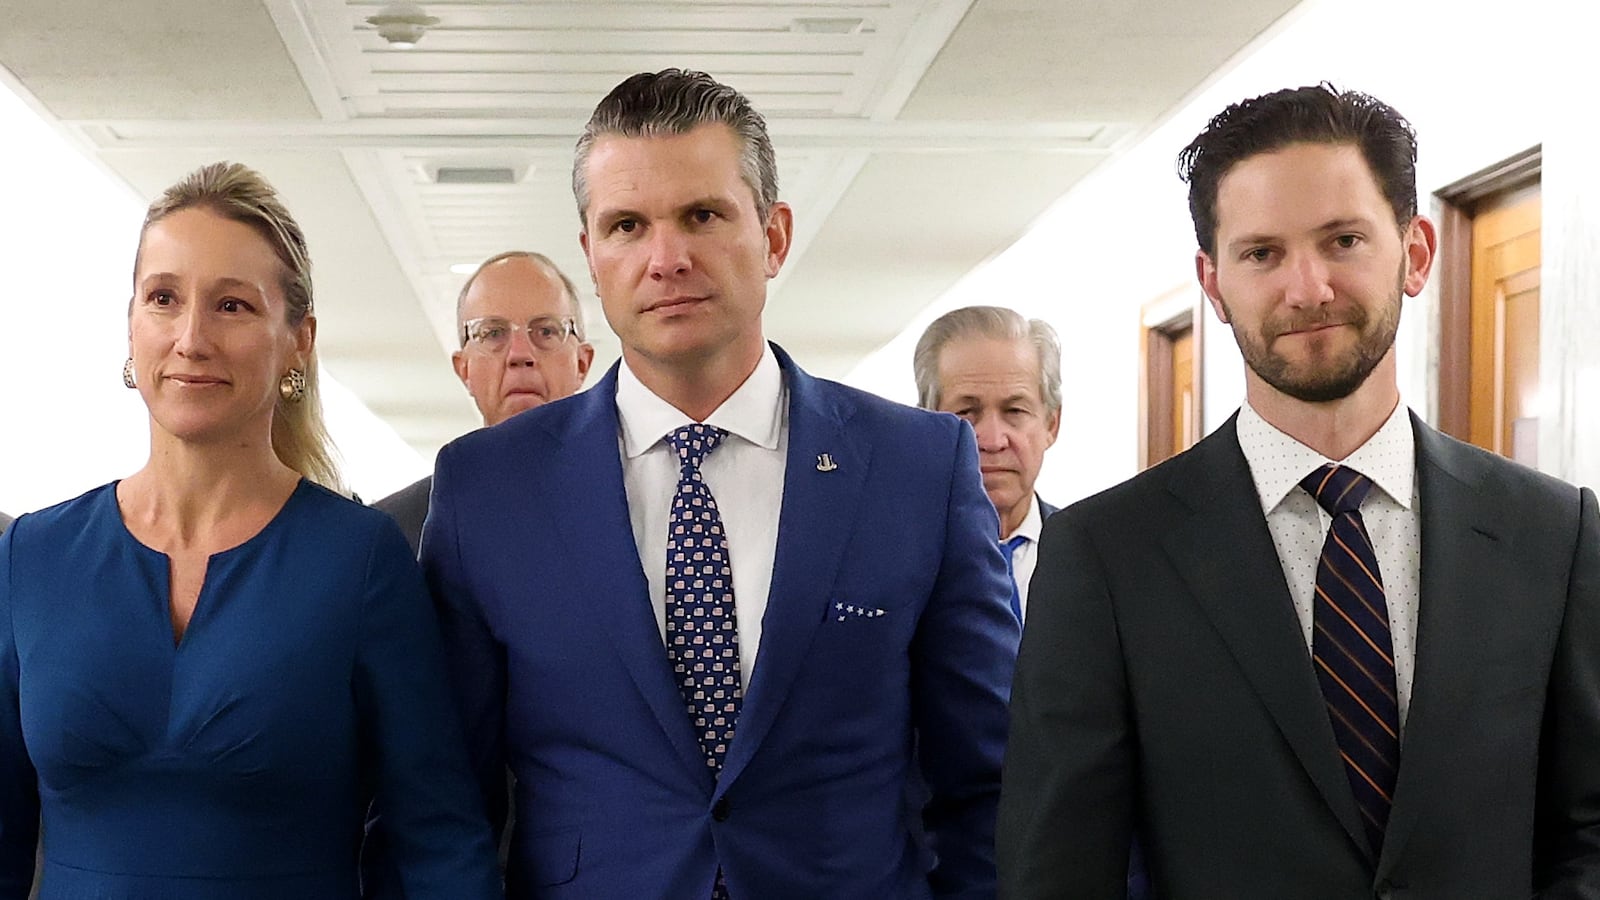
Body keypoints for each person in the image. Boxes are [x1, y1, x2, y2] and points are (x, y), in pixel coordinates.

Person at [423, 69, 1018, 898]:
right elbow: (444, 804)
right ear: (592, 256)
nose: (666, 258)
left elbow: (990, 784)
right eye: (627, 225)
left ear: (773, 237)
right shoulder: (489, 490)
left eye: (702, 215)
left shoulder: (917, 468)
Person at [998, 84, 1600, 899]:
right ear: (1213, 284)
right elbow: (1059, 868)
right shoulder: (1109, 557)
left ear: (1415, 252)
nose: (1307, 288)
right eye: (1262, 253)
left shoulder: (1553, 534)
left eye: (1344, 239)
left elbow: (1587, 832)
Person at [0, 162, 500, 900]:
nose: (192, 337)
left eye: (232, 305)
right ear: (131, 323)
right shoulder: (33, 557)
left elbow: (439, 844)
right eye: (164, 298)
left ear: (298, 340)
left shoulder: (359, 563)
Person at [375, 251, 594, 552]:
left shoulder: (640, 505)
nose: (520, 354)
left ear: (582, 363)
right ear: (463, 368)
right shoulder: (396, 532)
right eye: (492, 333)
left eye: (546, 331)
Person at [913, 306, 1060, 621]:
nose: (993, 440)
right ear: (926, 423)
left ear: (1051, 424)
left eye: (1015, 411)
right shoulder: (890, 560)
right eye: (967, 413)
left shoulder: (1097, 556)